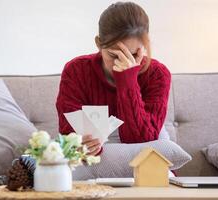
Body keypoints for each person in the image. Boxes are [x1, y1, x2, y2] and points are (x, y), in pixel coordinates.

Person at [56, 2, 171, 156]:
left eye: (134, 55)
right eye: (114, 55)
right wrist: (80, 143)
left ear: (144, 47)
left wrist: (128, 80)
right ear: (98, 43)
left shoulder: (158, 74)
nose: (122, 63)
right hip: (92, 163)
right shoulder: (76, 70)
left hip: (143, 164)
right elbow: (68, 135)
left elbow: (143, 141)